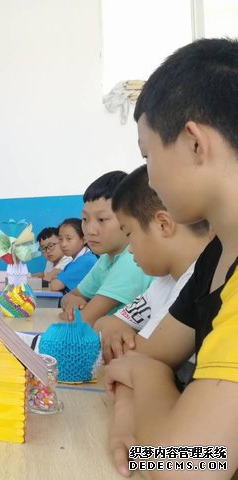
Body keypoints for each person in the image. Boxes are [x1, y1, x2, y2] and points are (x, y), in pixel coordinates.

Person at [104, 38, 238, 478]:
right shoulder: (216, 257)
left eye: (148, 156)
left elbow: (189, 466)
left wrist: (148, 379)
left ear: (194, 142)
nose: (150, 179)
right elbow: (138, 357)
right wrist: (127, 417)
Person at [93, 165, 212, 363]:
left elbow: (140, 360)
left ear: (163, 225)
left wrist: (118, 335)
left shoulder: (198, 279)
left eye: (129, 234)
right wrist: (112, 325)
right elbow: (103, 324)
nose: (130, 250)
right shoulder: (163, 283)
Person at [60, 171, 153, 325]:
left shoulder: (133, 259)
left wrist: (73, 308)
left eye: (102, 219)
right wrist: (71, 302)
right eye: (85, 219)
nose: (90, 230)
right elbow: (69, 297)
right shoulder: (106, 258)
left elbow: (82, 321)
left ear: (128, 218)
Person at [49, 218, 97, 292]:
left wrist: (55, 279)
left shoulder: (85, 261)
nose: (63, 244)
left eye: (69, 239)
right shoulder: (81, 258)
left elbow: (55, 286)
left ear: (84, 239)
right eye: (60, 239)